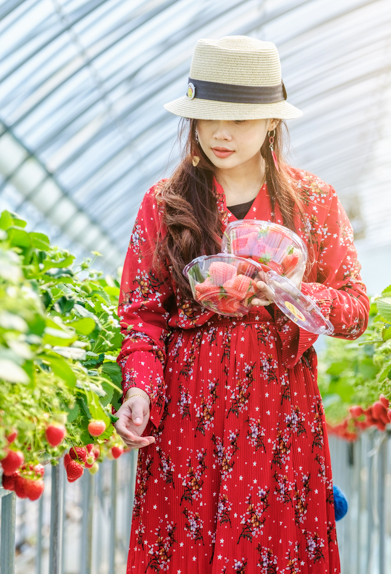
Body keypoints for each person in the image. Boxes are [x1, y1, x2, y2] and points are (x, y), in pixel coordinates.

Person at [113, 35, 369, 573]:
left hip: (279, 417)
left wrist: (295, 292)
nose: (221, 134)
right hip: (187, 421)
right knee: (185, 552)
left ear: (273, 122)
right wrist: (139, 386)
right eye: (207, 118)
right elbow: (141, 314)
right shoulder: (165, 203)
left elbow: (354, 310)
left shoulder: (313, 203)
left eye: (241, 120)